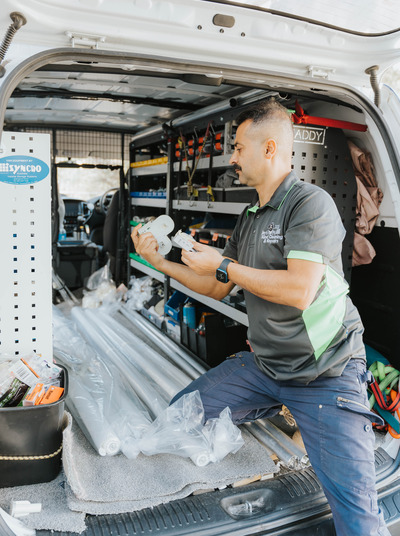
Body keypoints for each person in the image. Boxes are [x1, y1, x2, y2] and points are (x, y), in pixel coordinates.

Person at [131, 99, 390, 536]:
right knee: (181, 418)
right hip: (268, 367)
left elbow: (300, 290)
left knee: (358, 516)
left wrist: (223, 264)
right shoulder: (251, 218)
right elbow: (216, 286)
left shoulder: (311, 204)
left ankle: (305, 417)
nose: (231, 157)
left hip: (326, 373)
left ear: (269, 149)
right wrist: (160, 262)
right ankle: (281, 408)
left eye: (237, 147)